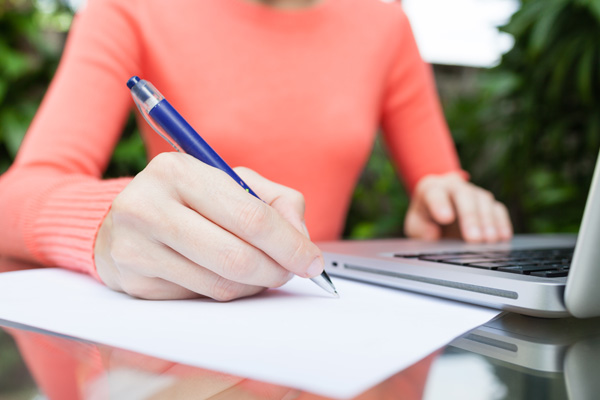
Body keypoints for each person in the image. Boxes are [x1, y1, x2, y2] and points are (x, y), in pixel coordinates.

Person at [0, 0, 513, 301]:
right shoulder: (131, 8)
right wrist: (103, 224)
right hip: (194, 331)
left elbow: (440, 182)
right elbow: (15, 197)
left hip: (315, 323)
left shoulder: (382, 19)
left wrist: (449, 203)